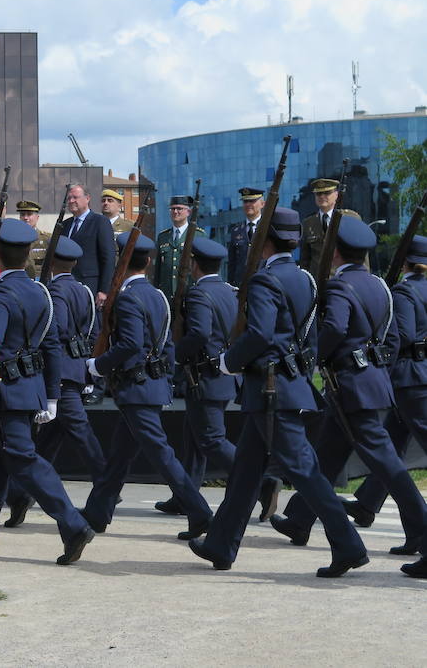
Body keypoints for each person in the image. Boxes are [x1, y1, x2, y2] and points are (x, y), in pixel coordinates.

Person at [188, 207, 368, 577]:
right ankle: (221, 544)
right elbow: (310, 337)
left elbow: (260, 334)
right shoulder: (306, 279)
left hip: (272, 390)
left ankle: (349, 545)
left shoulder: (264, 280)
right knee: (244, 472)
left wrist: (227, 362)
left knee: (304, 471)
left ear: (264, 239)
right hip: (284, 386)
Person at [270, 219, 427, 567]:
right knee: (326, 453)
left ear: (336, 252)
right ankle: (299, 519)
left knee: (387, 465)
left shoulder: (341, 287)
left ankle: (422, 531)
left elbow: (336, 328)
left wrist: (312, 357)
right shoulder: (380, 286)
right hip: (368, 383)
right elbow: (393, 339)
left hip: (351, 386)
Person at [0, 219, 94, 565]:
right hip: (30, 391)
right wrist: (51, 397)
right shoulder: (40, 292)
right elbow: (50, 348)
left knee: (23, 458)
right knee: (0, 462)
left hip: (6, 393)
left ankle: (73, 524)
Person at [83, 233, 213, 539]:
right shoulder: (157, 296)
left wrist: (97, 366)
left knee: (161, 454)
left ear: (121, 260)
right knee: (119, 456)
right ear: (150, 262)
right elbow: (167, 345)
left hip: (136, 389)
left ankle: (200, 511)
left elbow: (129, 344)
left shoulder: (129, 298)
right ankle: (97, 513)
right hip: (149, 385)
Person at [5, 237, 106, 528]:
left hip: (59, 372)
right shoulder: (84, 290)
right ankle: (20, 495)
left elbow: (56, 330)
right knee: (45, 444)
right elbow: (93, 329)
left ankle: (105, 482)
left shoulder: (56, 292)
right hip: (75, 368)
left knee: (80, 430)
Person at [345, 235, 427, 552]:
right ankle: (368, 504)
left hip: (409, 377)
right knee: (390, 449)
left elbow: (402, 334)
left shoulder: (405, 291)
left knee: (394, 449)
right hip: (418, 375)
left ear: (404, 261)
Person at [155, 237, 238, 514]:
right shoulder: (228, 290)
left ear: (194, 264)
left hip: (205, 377)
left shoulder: (199, 294)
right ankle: (185, 496)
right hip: (219, 374)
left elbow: (200, 333)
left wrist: (175, 354)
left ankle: (262, 480)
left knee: (212, 440)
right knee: (194, 442)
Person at [60, 184, 116, 304]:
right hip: (66, 286)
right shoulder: (65, 225)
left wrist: (104, 290)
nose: (71, 201)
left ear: (87, 198)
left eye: (75, 197)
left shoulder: (100, 222)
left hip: (91, 287)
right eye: (69, 198)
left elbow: (108, 257)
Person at [299, 178, 365, 275]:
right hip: (318, 283)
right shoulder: (308, 223)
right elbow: (305, 259)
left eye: (327, 193)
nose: (322, 196)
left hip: (344, 280)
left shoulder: (350, 218)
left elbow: (362, 255)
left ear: (336, 195)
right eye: (318, 194)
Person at [155, 195, 206, 301]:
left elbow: (205, 267)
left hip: (190, 294)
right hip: (167, 295)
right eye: (172, 208)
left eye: (179, 208)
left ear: (188, 212)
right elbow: (158, 270)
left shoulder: (198, 235)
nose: (175, 211)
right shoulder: (163, 236)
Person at [226, 188, 264, 286]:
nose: (248, 204)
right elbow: (232, 263)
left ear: (262, 204)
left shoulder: (268, 228)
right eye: (245, 201)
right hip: (241, 285)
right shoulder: (236, 230)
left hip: (263, 283)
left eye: (252, 201)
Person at [15, 200, 51, 279]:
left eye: (29, 214)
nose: (25, 218)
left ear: (37, 217)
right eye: (22, 214)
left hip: (39, 283)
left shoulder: (46, 239)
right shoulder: (14, 239)